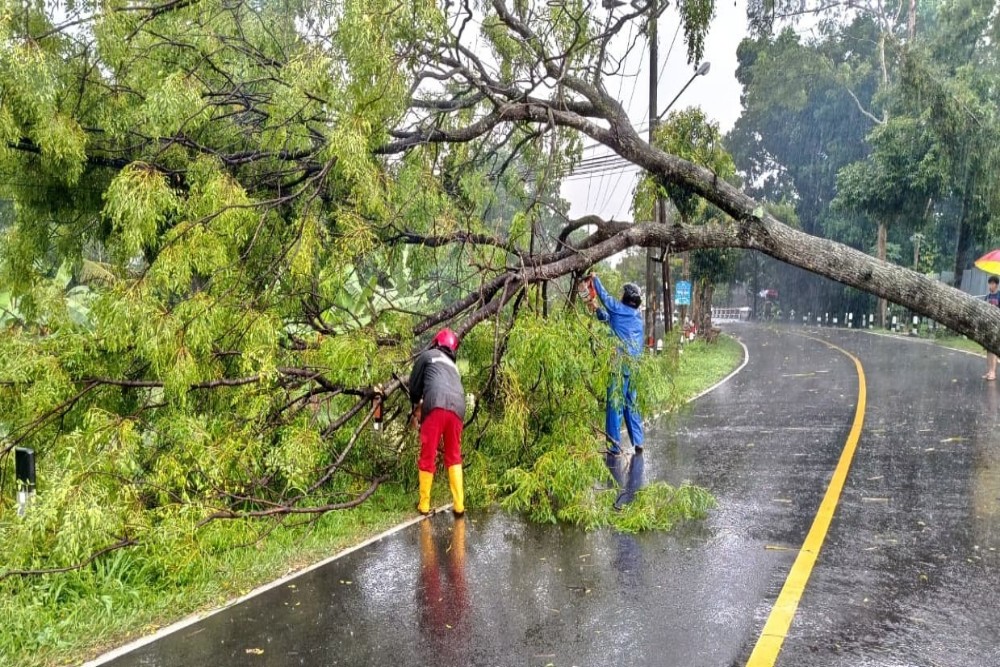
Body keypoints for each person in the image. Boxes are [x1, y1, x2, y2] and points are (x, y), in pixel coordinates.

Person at [585, 273, 645, 510]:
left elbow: (608, 301)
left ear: (626, 298)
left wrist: (595, 280)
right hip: (635, 369)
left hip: (619, 368)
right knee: (632, 406)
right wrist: (596, 310)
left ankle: (612, 446)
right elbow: (609, 318)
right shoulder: (635, 318)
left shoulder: (619, 310)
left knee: (614, 405)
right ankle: (638, 442)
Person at [409, 328, 467, 516]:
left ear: (436, 342)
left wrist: (416, 406)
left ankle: (424, 505)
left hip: (434, 406)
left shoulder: (427, 356)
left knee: (428, 454)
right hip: (458, 409)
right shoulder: (454, 367)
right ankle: (459, 506)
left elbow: (415, 386)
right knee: (454, 456)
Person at [985, 276, 1000, 380]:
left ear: (996, 284)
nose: (990, 285)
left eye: (992, 283)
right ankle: (989, 370)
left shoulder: (999, 295)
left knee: (994, 349)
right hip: (987, 326)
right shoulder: (987, 297)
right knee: (988, 349)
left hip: (997, 325)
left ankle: (993, 372)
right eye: (989, 283)